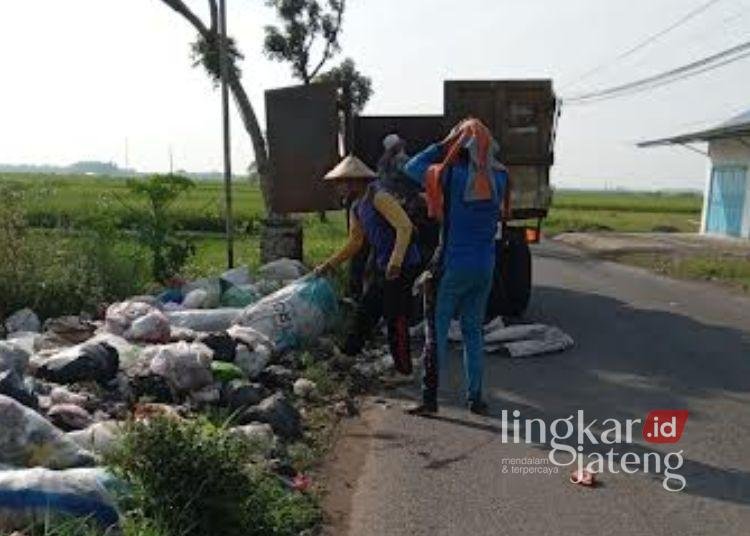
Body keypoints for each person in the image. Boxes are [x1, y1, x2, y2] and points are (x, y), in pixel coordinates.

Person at [403, 118, 509, 415]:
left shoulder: (449, 176)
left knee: (435, 333)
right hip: (484, 267)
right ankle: (475, 398)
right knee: (473, 333)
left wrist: (443, 145)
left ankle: (429, 399)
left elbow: (411, 168)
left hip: (452, 266)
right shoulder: (500, 179)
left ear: (460, 146)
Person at [314, 154, 421, 376]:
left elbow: (404, 226)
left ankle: (404, 372)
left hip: (402, 264)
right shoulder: (356, 206)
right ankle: (346, 356)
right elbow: (355, 242)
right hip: (384, 264)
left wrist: (396, 261)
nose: (338, 187)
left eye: (340, 182)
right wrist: (329, 264)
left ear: (354, 181)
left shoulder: (378, 196)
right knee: (366, 310)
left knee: (395, 317)